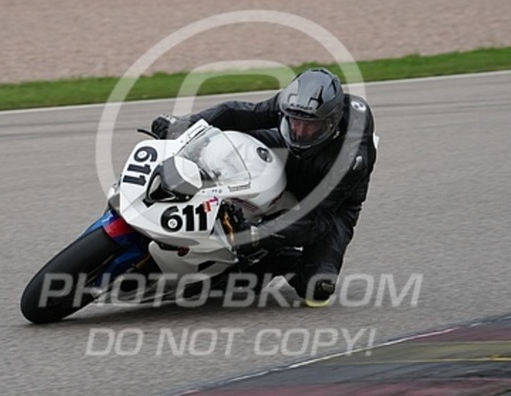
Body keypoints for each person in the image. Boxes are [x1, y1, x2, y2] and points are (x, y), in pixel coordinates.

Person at [151, 68, 377, 306]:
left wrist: (258, 235)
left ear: (331, 123)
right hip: (290, 156)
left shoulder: (352, 158)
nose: (300, 132)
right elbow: (236, 113)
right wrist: (185, 125)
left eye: (309, 127)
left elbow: (316, 222)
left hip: (332, 203)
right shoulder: (294, 103)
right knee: (226, 142)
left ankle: (276, 259)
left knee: (317, 287)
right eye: (294, 123)